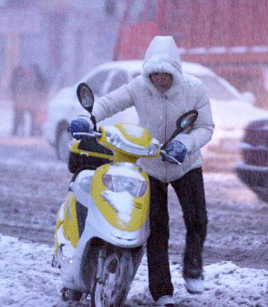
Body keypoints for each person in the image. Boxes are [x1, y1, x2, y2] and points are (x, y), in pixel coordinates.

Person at [70, 36, 214, 306]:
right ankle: (162, 292)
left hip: (186, 164)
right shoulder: (138, 87)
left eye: (166, 74)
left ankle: (193, 267)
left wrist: (185, 143)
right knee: (157, 229)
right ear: (148, 72)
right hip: (150, 164)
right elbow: (109, 103)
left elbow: (205, 127)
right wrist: (88, 117)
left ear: (176, 71)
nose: (160, 79)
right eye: (155, 73)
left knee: (198, 219)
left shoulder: (195, 90)